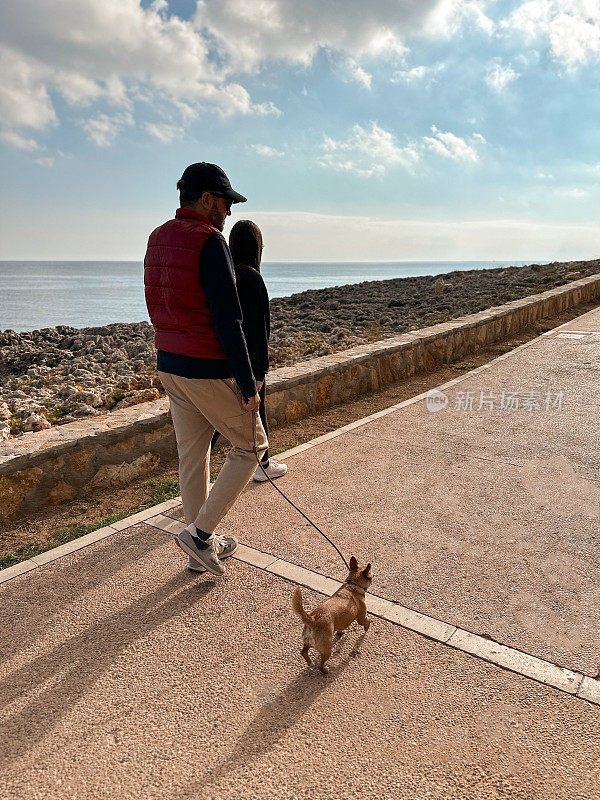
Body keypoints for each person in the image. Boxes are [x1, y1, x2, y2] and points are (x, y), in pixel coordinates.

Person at [144, 162, 268, 577]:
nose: (229, 213)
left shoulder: (156, 238)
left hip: (169, 363)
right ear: (208, 199)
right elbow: (228, 320)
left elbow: (157, 303)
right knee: (252, 447)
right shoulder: (211, 242)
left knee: (193, 456)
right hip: (204, 366)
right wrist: (248, 383)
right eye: (226, 203)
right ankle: (199, 535)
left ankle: (202, 543)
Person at [211, 219, 287, 482]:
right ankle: (262, 465)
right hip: (248, 361)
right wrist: (261, 370)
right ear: (257, 247)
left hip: (222, 358)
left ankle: (260, 463)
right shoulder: (253, 278)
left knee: (217, 421)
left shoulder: (227, 275)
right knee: (255, 410)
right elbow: (259, 330)